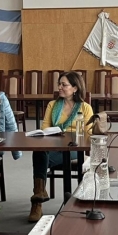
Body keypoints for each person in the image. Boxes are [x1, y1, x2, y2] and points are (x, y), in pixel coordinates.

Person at [29, 71, 94, 222]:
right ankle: (39, 196)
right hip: (54, 145)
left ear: (75, 88)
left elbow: (89, 134)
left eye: (64, 85)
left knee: (41, 159)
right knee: (39, 152)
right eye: (59, 84)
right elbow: (45, 128)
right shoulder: (52, 105)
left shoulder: (85, 107)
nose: (59, 87)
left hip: (74, 147)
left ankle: (37, 202)